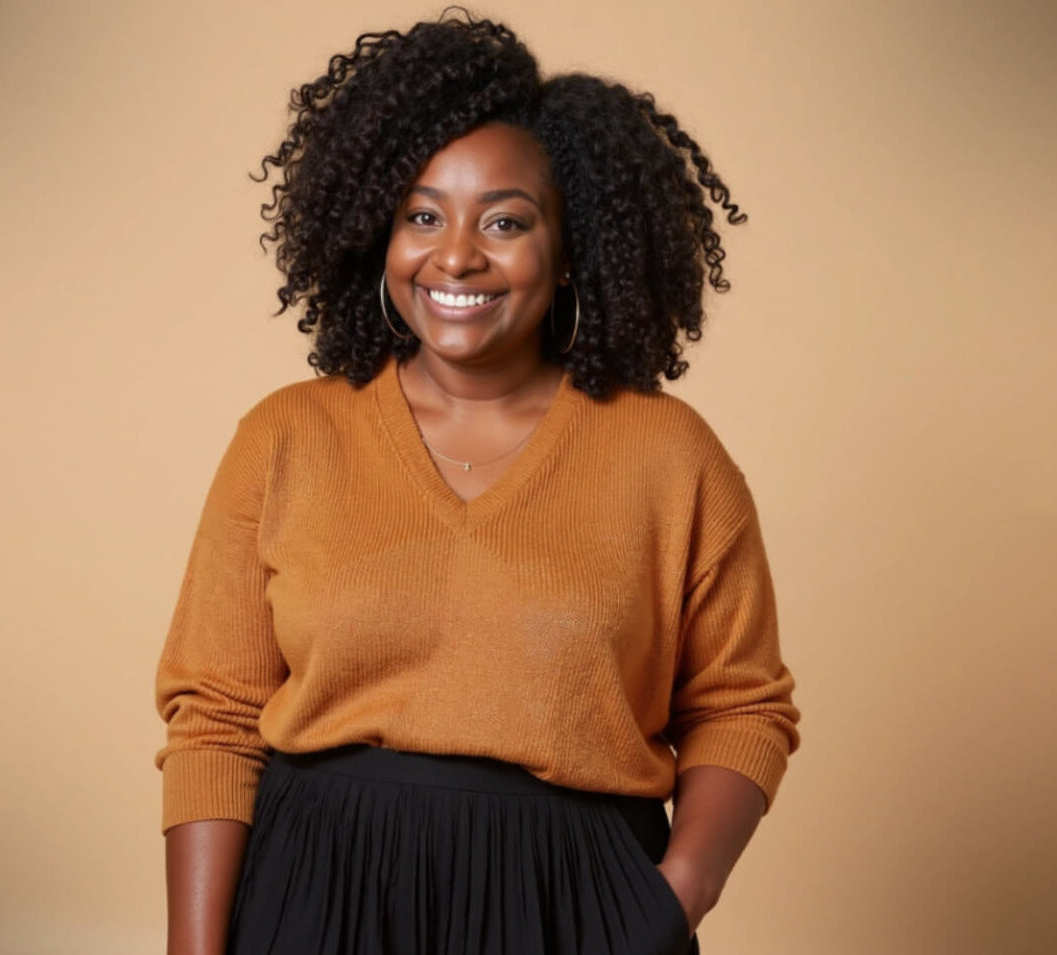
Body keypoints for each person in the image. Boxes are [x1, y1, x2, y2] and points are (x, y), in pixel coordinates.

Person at [156, 11, 799, 955]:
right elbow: (213, 716)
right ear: (379, 230)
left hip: (575, 911)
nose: (456, 255)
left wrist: (671, 902)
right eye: (423, 215)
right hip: (313, 902)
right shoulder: (288, 437)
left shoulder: (672, 456)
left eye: (505, 221)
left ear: (571, 247)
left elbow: (743, 706)